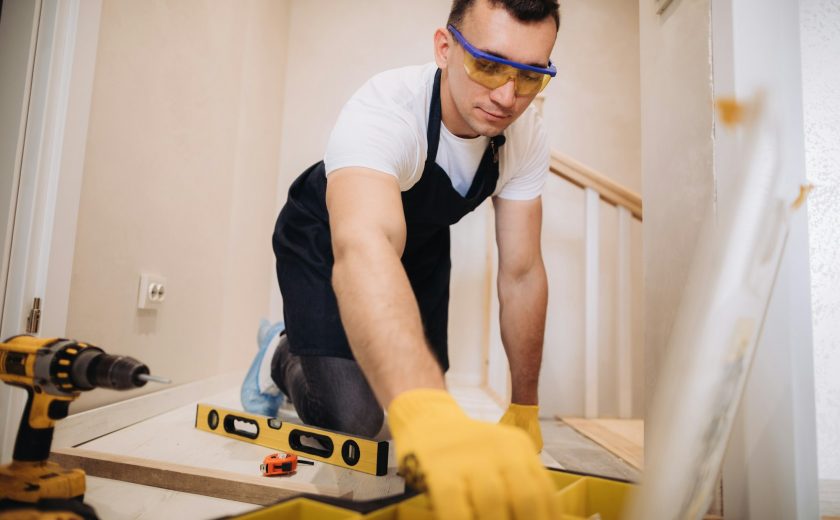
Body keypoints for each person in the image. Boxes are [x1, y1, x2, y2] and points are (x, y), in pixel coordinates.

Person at [243, 0, 559, 517]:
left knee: (411, 404)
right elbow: (363, 244)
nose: (507, 96)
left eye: (530, 77)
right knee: (356, 418)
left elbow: (522, 273)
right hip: (330, 236)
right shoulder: (386, 109)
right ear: (445, 47)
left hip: (422, 243)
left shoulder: (524, 139)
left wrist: (524, 406)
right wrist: (425, 407)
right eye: (489, 64)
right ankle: (279, 353)